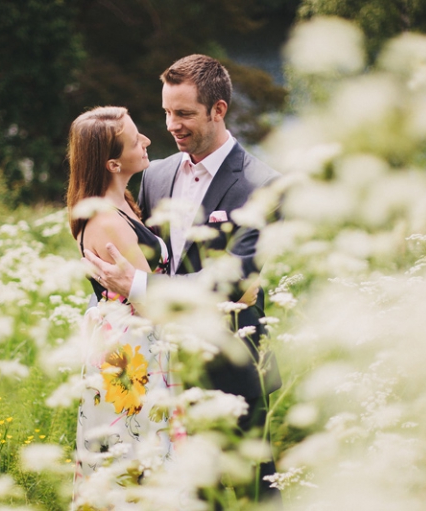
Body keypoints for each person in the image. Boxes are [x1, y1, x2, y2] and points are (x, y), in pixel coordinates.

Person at [83, 54, 282, 504]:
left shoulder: (262, 185)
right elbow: (148, 255)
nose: (172, 124)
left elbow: (232, 282)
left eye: (185, 113)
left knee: (258, 494)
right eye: (167, 112)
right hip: (165, 377)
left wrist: (138, 286)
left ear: (218, 109)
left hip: (234, 372)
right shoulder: (155, 175)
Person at [66, 106, 175, 498]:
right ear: (113, 162)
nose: (146, 141)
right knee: (135, 462)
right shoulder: (108, 221)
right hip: (132, 357)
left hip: (134, 346)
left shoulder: (123, 203)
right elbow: (149, 299)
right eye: (135, 140)